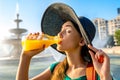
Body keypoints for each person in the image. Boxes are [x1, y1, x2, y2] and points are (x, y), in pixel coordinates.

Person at [16, 3, 113, 80]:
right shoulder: (56, 68)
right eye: (61, 29)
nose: (59, 34)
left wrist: (105, 77)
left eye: (68, 31)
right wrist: (25, 57)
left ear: (82, 41)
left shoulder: (96, 72)